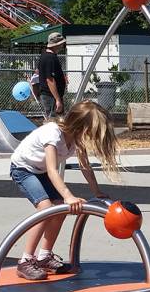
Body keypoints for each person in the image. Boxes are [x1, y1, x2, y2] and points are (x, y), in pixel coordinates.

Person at [9, 100, 120, 280]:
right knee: (45, 207)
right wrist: (68, 196)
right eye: (90, 132)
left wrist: (96, 191)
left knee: (59, 209)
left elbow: (85, 166)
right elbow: (53, 170)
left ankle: (44, 256)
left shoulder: (77, 139)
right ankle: (25, 261)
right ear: (80, 126)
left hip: (41, 171)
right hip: (23, 169)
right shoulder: (53, 133)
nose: (90, 137)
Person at [35, 32, 69, 117]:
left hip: (50, 95)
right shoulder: (50, 58)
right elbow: (50, 80)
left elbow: (38, 71)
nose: (62, 46)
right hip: (51, 96)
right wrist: (57, 99)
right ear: (56, 45)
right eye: (61, 44)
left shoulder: (44, 55)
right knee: (54, 122)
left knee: (56, 121)